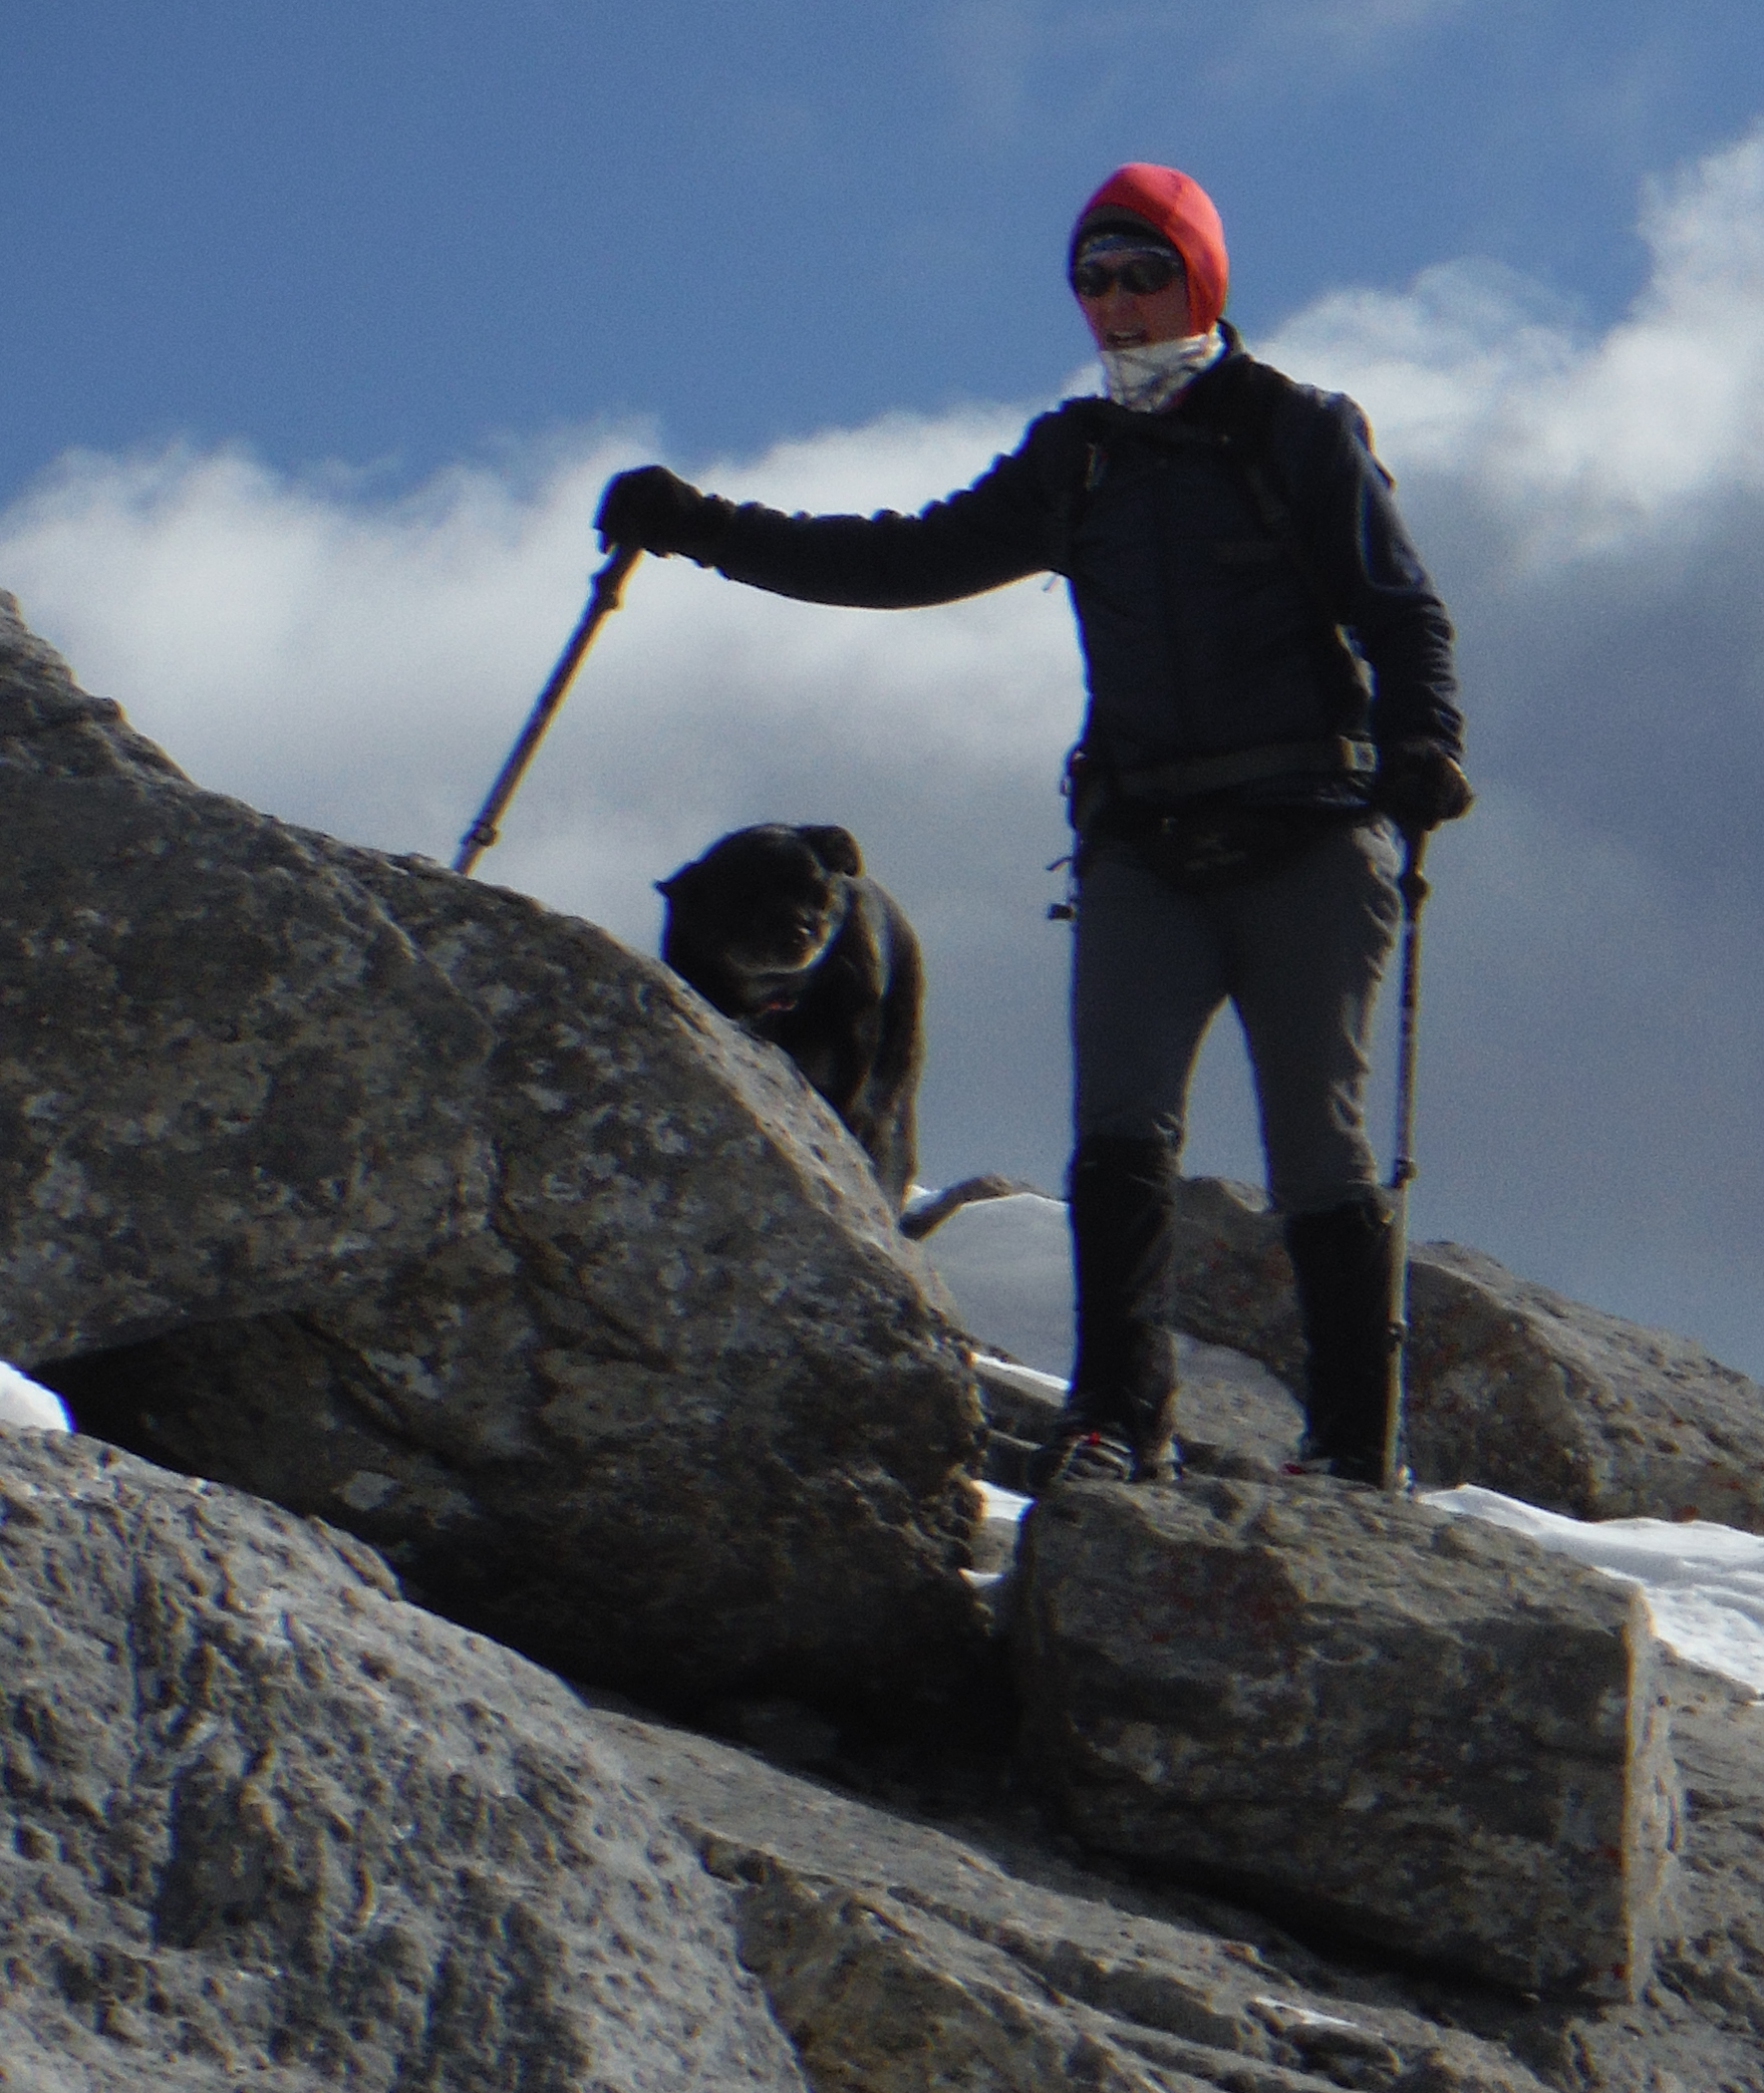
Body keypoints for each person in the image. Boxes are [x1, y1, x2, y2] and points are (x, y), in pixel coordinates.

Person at [595, 163, 1469, 1488]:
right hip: (1144, 850)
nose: (1116, 304)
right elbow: (901, 559)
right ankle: (1118, 1421)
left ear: (1203, 280)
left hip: (1311, 835)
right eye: (1094, 282)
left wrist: (1423, 747)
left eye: (1145, 275)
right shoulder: (1079, 460)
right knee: (1120, 1131)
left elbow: (1401, 609)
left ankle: (1353, 1451)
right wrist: (698, 528)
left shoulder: (1296, 430)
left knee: (1318, 1148)